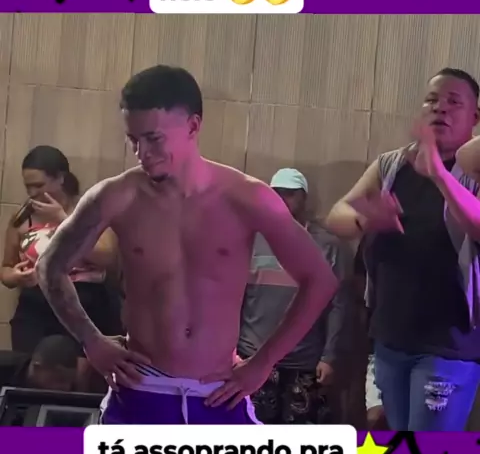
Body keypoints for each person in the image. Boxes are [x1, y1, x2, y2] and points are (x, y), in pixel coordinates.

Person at [36, 65, 338, 426]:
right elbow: (49, 266)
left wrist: (264, 361)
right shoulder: (116, 197)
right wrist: (91, 340)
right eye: (133, 139)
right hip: (141, 385)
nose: (141, 153)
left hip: (219, 390)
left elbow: (320, 279)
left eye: (154, 138)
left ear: (193, 126)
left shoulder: (248, 198)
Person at [325, 68, 480, 431]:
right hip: (391, 336)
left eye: (453, 102)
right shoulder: (393, 164)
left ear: (475, 117)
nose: (440, 108)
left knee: (427, 453)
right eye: (432, 100)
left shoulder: (475, 170)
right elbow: (336, 216)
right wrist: (366, 220)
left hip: (448, 343)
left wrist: (439, 173)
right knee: (397, 445)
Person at [238, 168, 353, 424]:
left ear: (303, 198)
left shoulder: (328, 246)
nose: (282, 200)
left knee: (300, 435)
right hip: (253, 356)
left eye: (290, 194)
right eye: (276, 193)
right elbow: (234, 297)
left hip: (304, 361)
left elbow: (339, 306)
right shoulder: (251, 240)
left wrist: (329, 357)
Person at [0, 145, 123, 354]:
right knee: (32, 365)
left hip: (86, 301)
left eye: (38, 185)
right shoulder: (21, 218)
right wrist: (15, 276)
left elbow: (107, 258)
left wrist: (63, 221)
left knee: (78, 368)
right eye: (28, 186)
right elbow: (6, 269)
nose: (32, 193)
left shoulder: (89, 210)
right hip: (37, 303)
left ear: (60, 179)